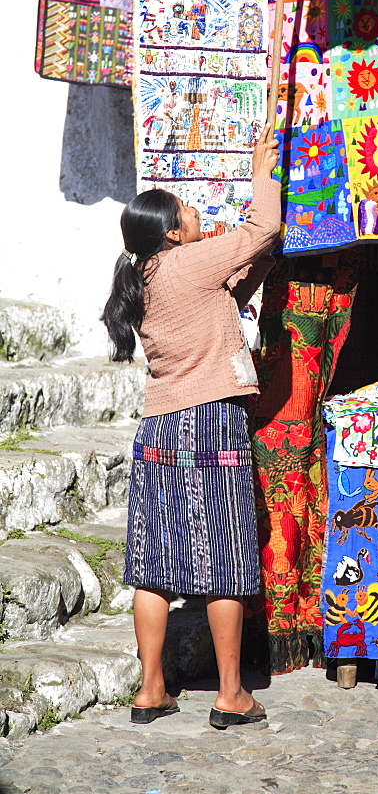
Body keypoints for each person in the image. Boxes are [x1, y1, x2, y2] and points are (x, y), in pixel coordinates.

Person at [101, 124, 280, 729]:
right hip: (210, 423)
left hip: (159, 427)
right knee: (225, 553)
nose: (197, 208)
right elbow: (262, 229)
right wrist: (262, 165)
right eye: (187, 208)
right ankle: (231, 694)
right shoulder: (187, 262)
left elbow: (226, 291)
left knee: (153, 563)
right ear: (173, 233)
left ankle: (151, 688)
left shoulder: (147, 277)